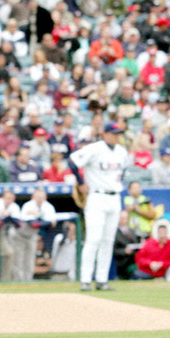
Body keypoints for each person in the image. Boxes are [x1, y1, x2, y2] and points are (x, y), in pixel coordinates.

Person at [69, 122, 128, 291]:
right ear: (105, 134)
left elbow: (121, 172)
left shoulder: (122, 152)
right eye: (114, 133)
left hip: (114, 196)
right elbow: (72, 161)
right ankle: (85, 279)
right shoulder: (94, 148)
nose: (117, 136)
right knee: (93, 239)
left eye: (118, 133)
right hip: (96, 196)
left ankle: (102, 280)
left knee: (108, 241)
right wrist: (80, 183)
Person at [14, 188, 56, 281]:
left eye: (42, 197)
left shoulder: (48, 206)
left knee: (30, 259)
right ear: (33, 197)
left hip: (32, 235)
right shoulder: (28, 205)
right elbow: (32, 223)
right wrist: (43, 221)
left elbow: (52, 223)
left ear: (45, 197)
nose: (40, 198)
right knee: (19, 259)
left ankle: (28, 281)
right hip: (20, 234)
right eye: (38, 196)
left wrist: (41, 220)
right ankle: (18, 282)